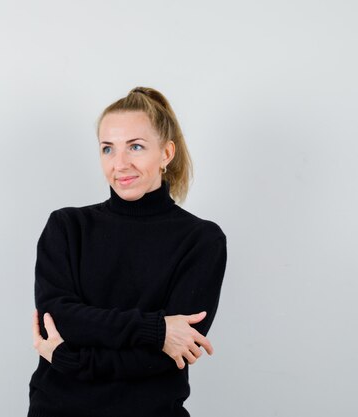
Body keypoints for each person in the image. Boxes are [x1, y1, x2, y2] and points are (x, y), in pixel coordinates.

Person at [28, 86, 228, 417]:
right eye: (108, 149)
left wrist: (69, 358)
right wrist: (157, 329)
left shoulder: (201, 240)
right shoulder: (67, 226)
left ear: (166, 153)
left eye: (135, 147)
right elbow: (59, 318)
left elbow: (169, 354)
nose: (120, 164)